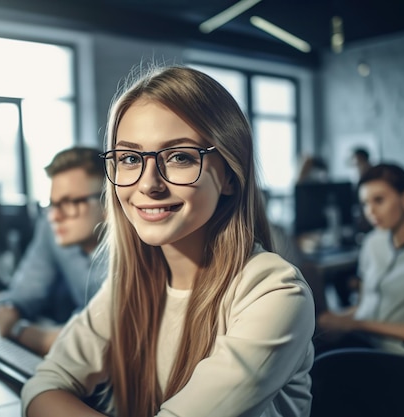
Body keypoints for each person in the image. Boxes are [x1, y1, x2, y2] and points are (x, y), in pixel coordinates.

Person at [22, 65, 315, 417]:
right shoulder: (130, 286)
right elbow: (41, 387)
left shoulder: (273, 292)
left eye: (179, 157)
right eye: (130, 158)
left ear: (230, 177)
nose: (148, 184)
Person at [0, 147, 107, 356]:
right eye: (53, 204)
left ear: (107, 203)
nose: (55, 216)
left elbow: (94, 342)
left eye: (69, 203)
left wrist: (17, 329)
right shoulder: (52, 227)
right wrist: (9, 310)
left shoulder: (135, 250)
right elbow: (21, 295)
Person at [316, 163, 404, 355]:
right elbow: (366, 304)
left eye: (379, 200)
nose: (370, 211)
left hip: (401, 354)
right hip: (364, 342)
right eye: (365, 203)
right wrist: (337, 319)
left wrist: (357, 324)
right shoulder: (373, 242)